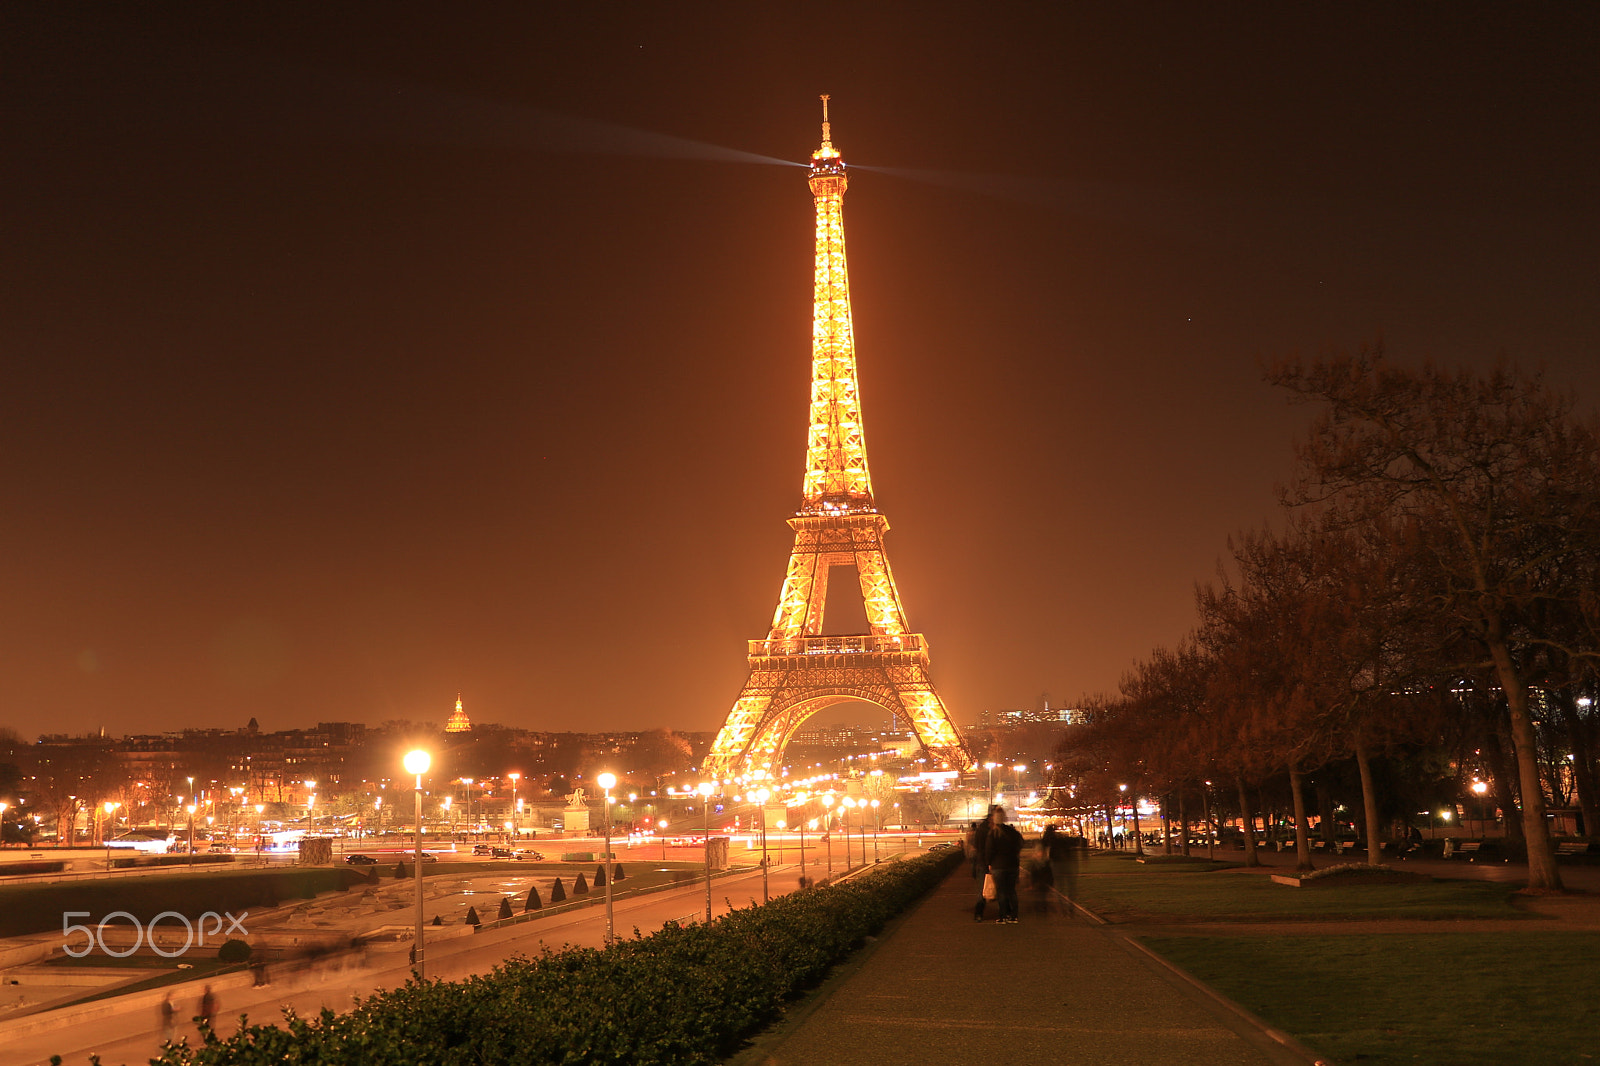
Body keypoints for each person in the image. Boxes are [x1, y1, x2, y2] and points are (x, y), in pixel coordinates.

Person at [982, 806, 1024, 924]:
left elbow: (989, 850)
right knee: (1011, 891)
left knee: (1001, 892)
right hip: (1012, 865)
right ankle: (1014, 916)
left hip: (998, 866)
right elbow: (1020, 843)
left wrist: (989, 863)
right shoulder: (1012, 832)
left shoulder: (993, 833)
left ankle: (1003, 916)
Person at [966, 814, 993, 921]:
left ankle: (979, 914)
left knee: (983, 890)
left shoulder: (980, 831)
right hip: (990, 864)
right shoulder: (990, 831)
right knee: (999, 890)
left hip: (982, 863)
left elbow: (975, 847)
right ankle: (1005, 913)